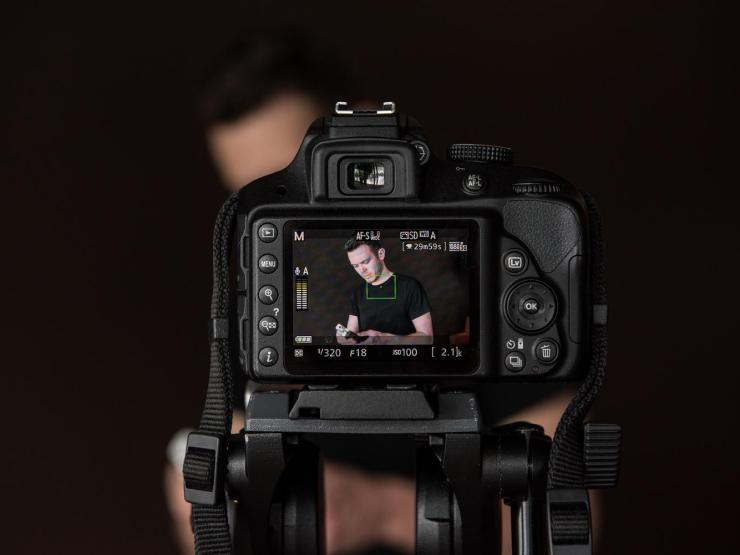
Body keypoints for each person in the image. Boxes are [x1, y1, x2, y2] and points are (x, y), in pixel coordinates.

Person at [165, 31, 591, 555]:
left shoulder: (461, 268)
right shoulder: (265, 299)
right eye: (253, 196)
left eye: (289, 178)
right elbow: (222, 497)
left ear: (359, 131)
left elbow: (572, 509)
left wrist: (377, 510)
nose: (273, 218)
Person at [338, 238, 433, 345]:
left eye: (365, 262)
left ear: (381, 254)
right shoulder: (357, 294)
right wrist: (346, 339)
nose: (361, 270)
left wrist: (386, 339)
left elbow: (427, 338)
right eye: (355, 266)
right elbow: (352, 337)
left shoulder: (410, 286)